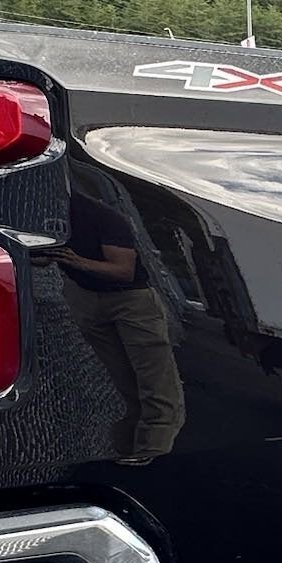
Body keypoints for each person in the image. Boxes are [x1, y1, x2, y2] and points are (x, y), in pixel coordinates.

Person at [45, 190, 185, 464]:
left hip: (130, 299)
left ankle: (156, 450)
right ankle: (127, 446)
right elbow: (42, 257)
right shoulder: (39, 215)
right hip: (87, 296)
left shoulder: (102, 216)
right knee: (123, 378)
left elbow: (123, 270)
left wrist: (78, 262)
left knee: (154, 378)